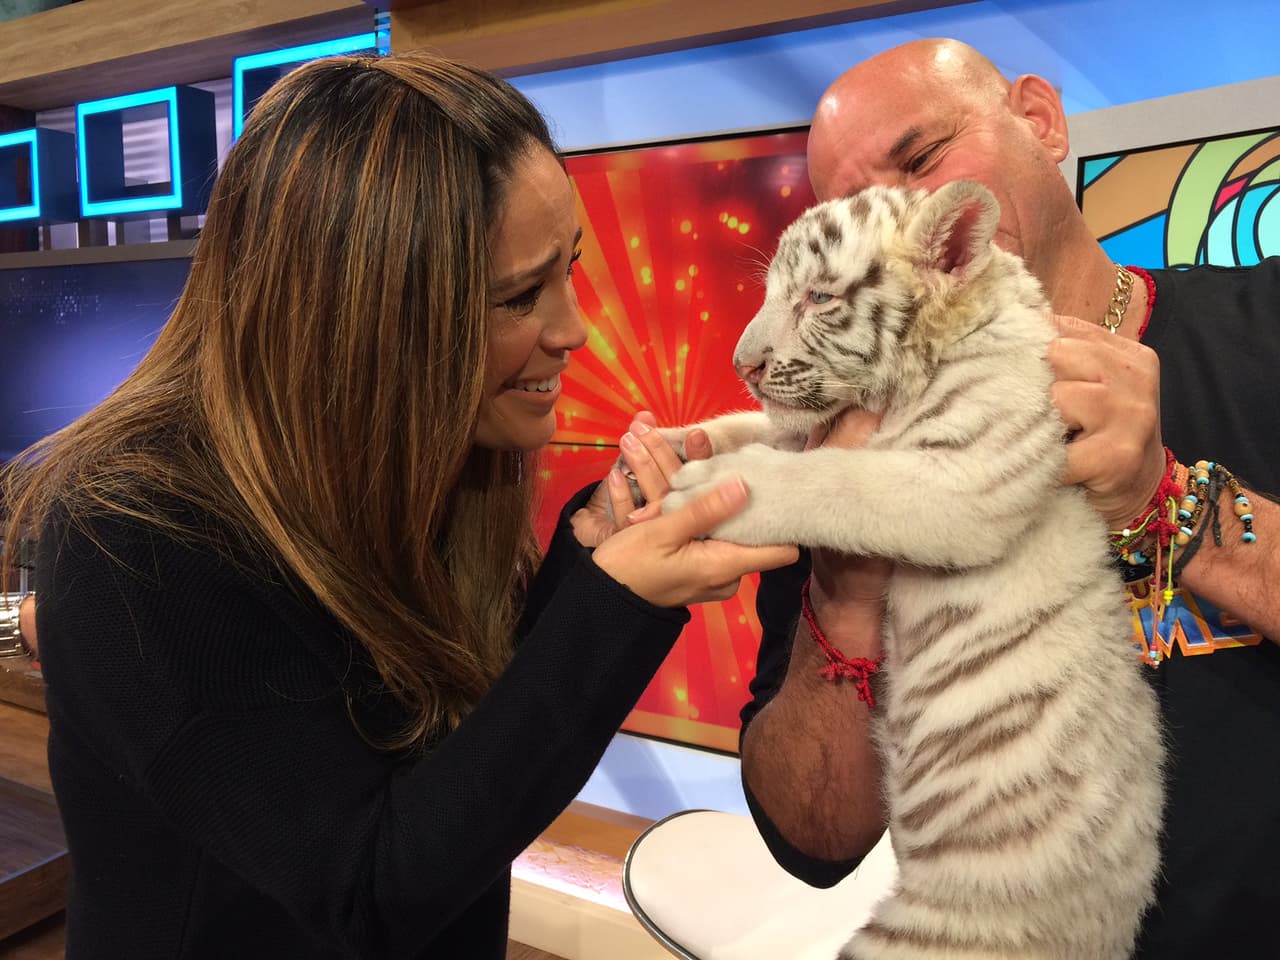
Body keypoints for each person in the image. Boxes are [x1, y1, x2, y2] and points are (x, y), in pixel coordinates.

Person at [0, 52, 796, 959]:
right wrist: (612, 608)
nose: (573, 330)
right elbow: (367, 892)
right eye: (518, 295)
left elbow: (454, 776)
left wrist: (586, 561)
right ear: (365, 314)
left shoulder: (420, 471)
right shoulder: (136, 536)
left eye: (568, 270)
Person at [738, 38, 1280, 959]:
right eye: (852, 210)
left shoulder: (1262, 324)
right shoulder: (842, 436)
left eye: (921, 158)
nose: (900, 223)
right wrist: (847, 587)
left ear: (1040, 120)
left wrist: (1167, 501)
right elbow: (814, 838)